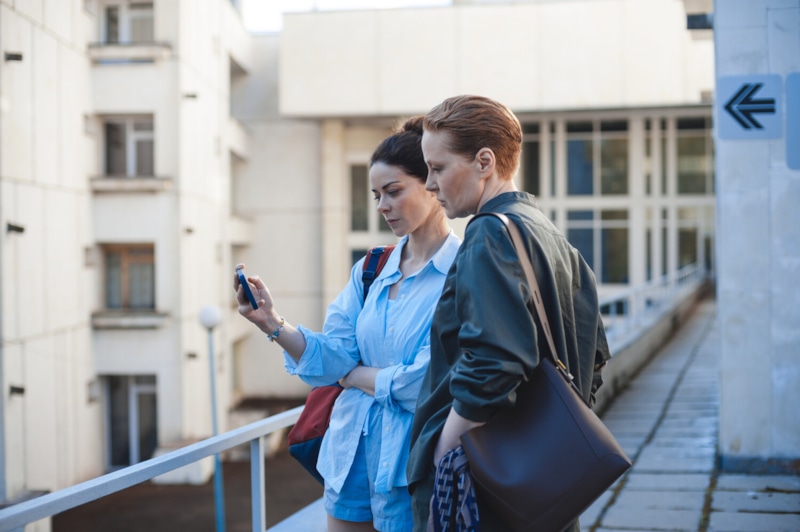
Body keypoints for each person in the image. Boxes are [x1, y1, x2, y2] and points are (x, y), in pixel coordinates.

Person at [234, 117, 461, 532]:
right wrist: (272, 323)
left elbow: (427, 385)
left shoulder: (463, 272)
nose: (382, 206)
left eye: (393, 192)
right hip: (349, 456)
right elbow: (331, 358)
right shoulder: (371, 268)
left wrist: (352, 375)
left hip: (415, 466)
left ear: (431, 183)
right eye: (376, 195)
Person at [407, 95, 611, 531]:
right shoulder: (546, 231)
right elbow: (593, 355)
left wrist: (444, 449)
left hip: (489, 483)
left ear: (484, 162)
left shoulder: (488, 236)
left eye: (438, 168)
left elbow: (494, 362)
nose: (429, 184)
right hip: (545, 478)